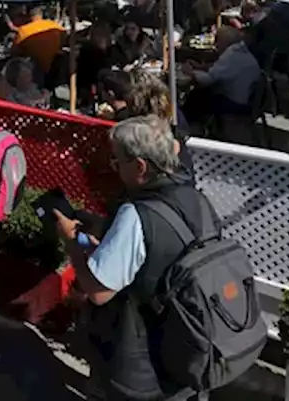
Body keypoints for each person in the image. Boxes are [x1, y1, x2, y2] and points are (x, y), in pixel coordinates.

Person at [54, 115, 213, 400]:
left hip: (143, 362)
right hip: (190, 346)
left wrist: (72, 242)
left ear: (140, 166)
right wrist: (104, 238)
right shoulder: (197, 199)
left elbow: (99, 290)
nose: (114, 169)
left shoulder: (136, 215)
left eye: (117, 161)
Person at [182, 26, 261, 116]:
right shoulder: (239, 51)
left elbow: (208, 79)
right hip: (246, 100)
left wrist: (191, 72)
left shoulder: (231, 54)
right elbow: (222, 69)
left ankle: (189, 125)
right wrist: (201, 67)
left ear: (224, 40)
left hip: (235, 104)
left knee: (197, 96)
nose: (215, 45)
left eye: (217, 40)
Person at [76, 22, 126, 103]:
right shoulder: (86, 52)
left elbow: (122, 62)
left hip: (112, 89)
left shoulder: (114, 50)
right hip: (91, 89)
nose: (100, 38)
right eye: (97, 35)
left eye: (103, 35)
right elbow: (82, 75)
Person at [11, 5, 65, 77]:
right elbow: (64, 40)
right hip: (57, 69)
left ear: (28, 16)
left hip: (36, 72)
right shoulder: (55, 25)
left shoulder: (23, 30)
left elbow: (14, 52)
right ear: (41, 15)